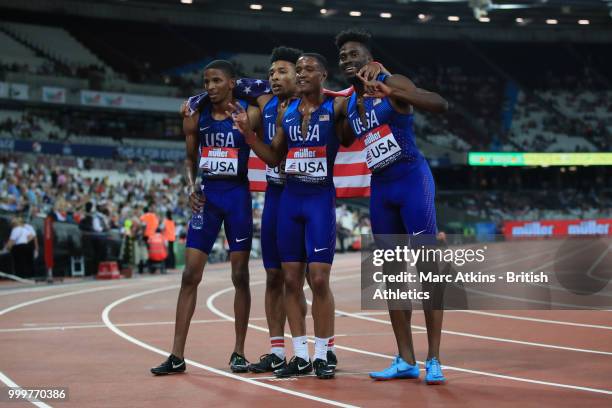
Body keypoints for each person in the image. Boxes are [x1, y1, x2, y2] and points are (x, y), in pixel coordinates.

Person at [335, 28, 449, 384]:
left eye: (354, 54)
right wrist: (338, 112)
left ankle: (434, 359)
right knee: (391, 276)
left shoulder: (391, 80)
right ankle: (405, 358)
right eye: (342, 57)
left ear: (369, 59)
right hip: (381, 190)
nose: (347, 60)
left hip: (412, 182)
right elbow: (346, 138)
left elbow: (439, 104)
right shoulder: (351, 101)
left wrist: (391, 90)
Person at [232, 53, 354, 379]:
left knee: (318, 279)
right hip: (289, 200)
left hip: (318, 201)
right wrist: (248, 134)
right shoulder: (286, 114)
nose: (301, 74)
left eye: (307, 69)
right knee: (289, 279)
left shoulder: (334, 107)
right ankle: (299, 355)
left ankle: (323, 353)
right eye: (298, 70)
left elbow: (351, 116)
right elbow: (274, 157)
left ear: (323, 75)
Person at [151, 60, 260, 375]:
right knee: (190, 275)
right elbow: (189, 156)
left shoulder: (247, 114)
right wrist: (189, 186)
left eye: (216, 81)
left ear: (231, 83)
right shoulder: (194, 116)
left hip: (238, 198)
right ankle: (176, 355)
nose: (210, 87)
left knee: (240, 276)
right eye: (206, 81)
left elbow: (267, 97)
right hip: (207, 198)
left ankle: (239, 351)